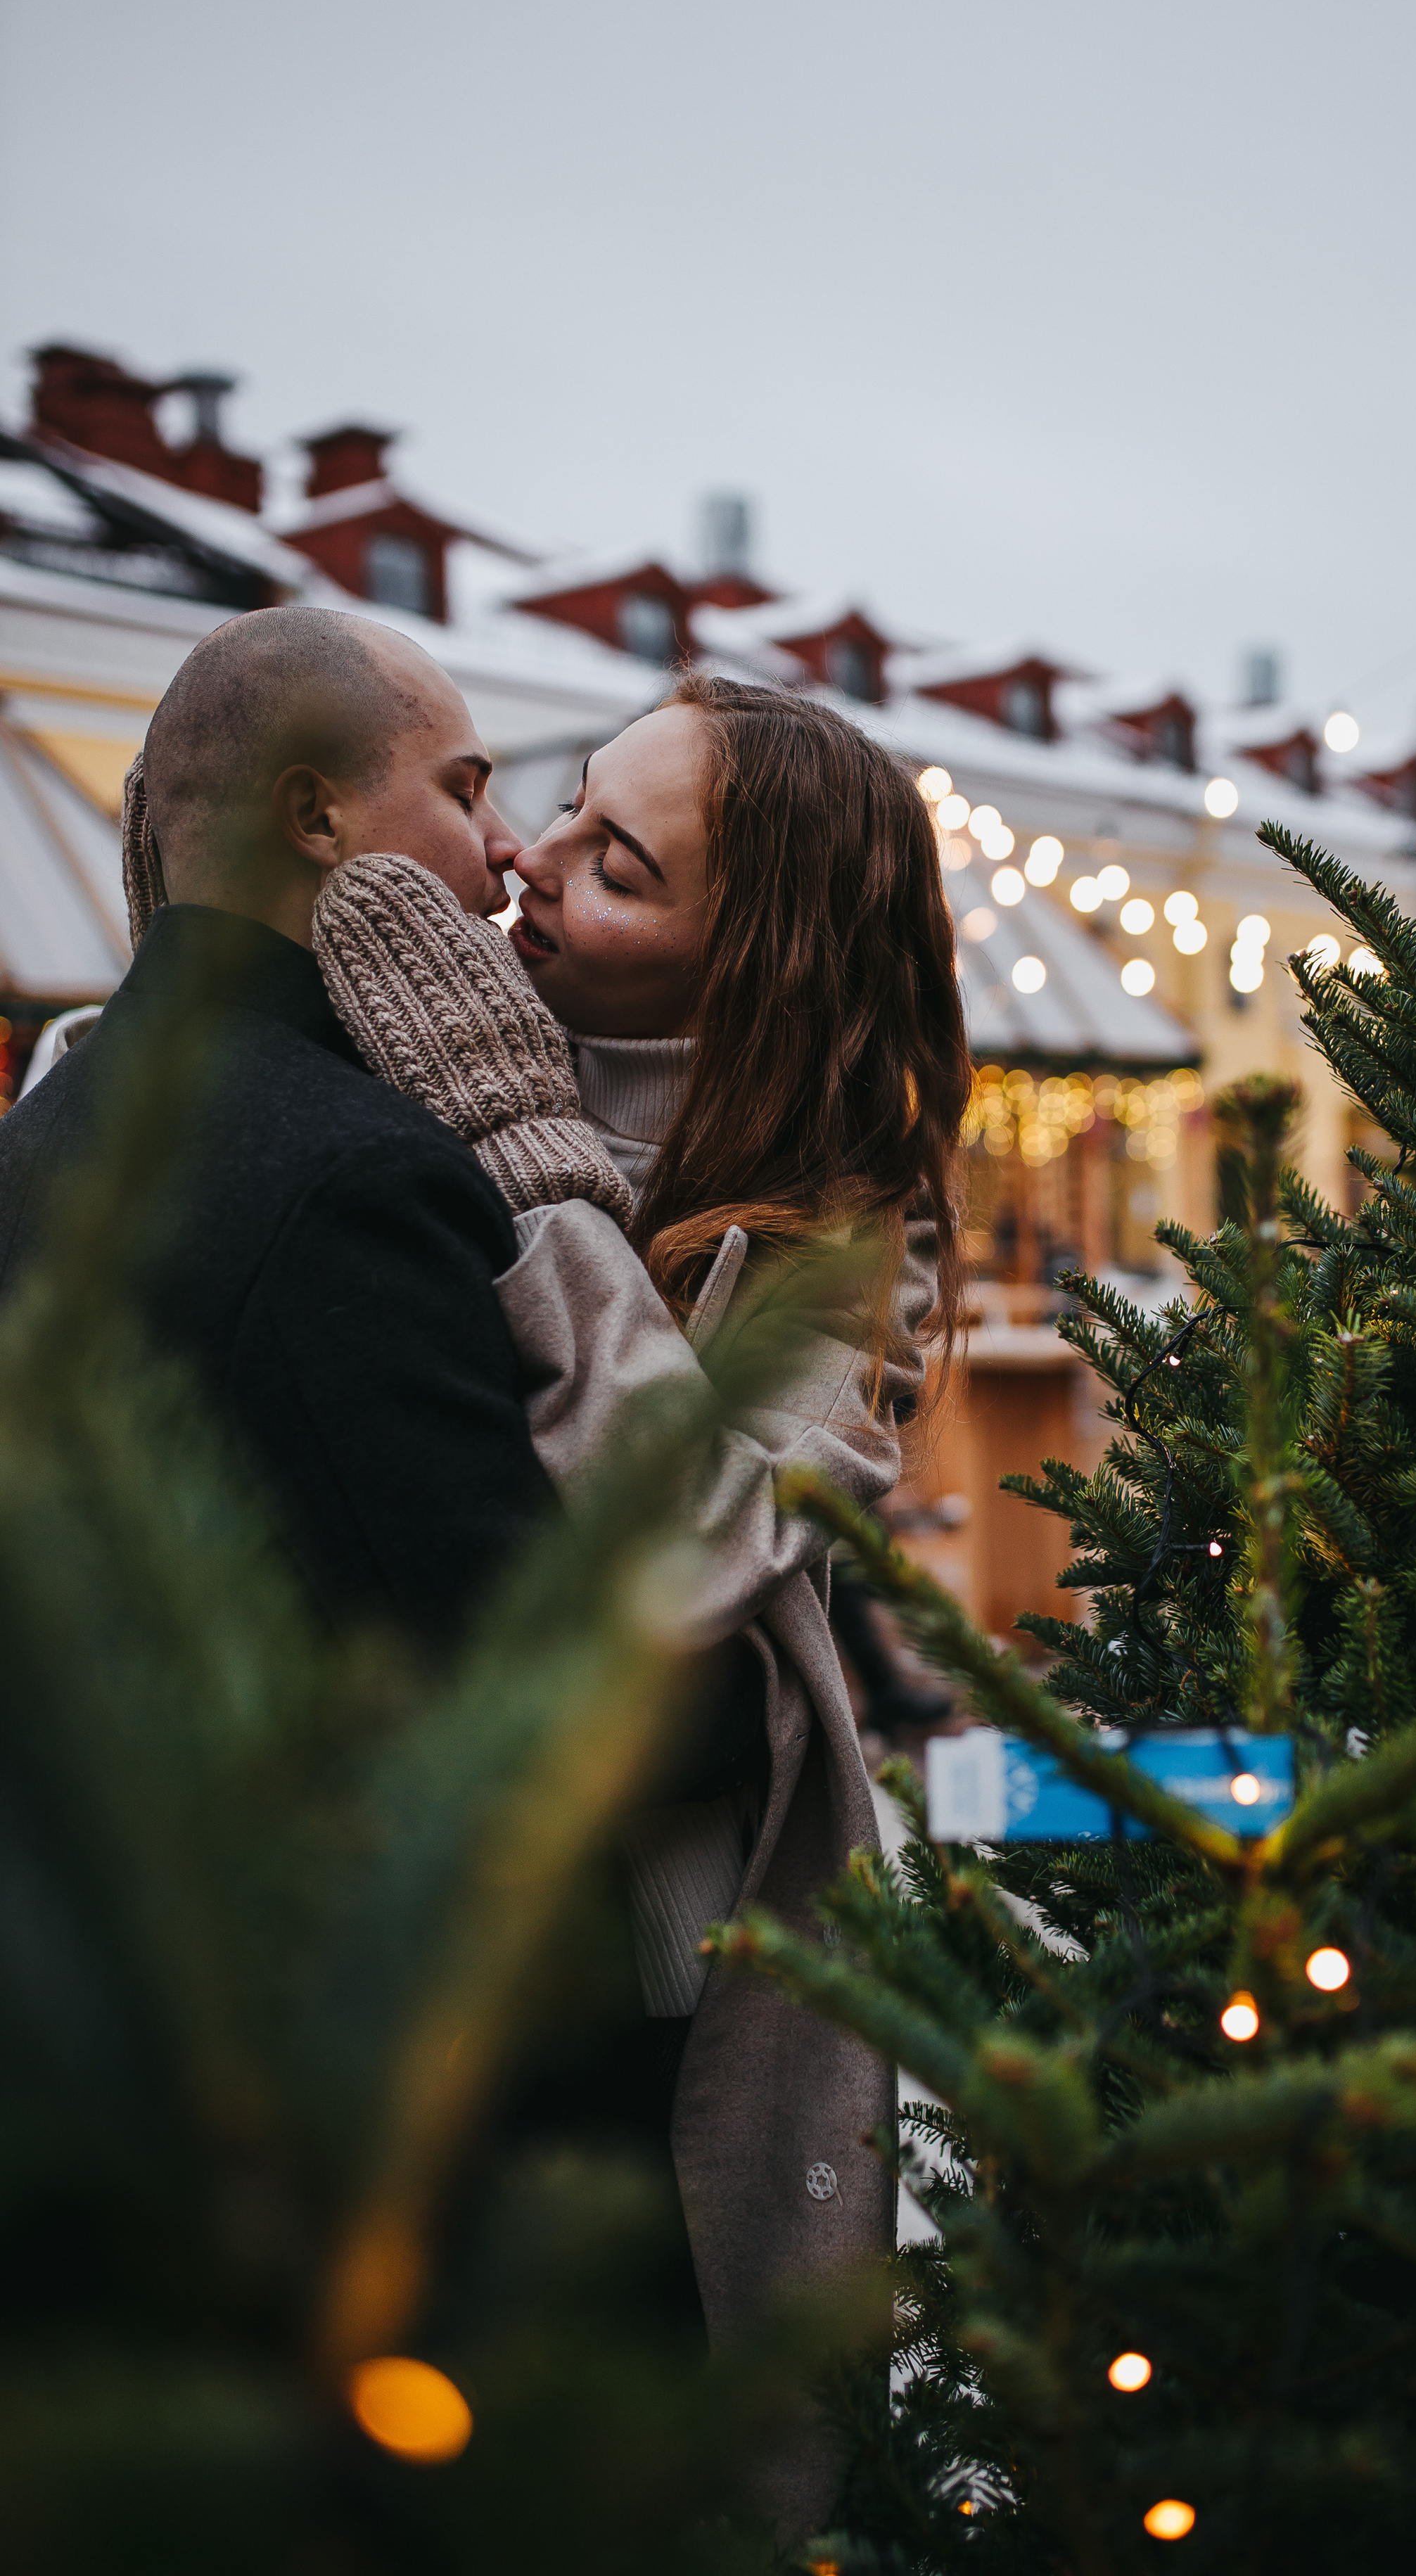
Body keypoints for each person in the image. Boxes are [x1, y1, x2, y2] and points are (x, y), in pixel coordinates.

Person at [299, 675, 969, 2534]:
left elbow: (679, 1542)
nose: (529, 861)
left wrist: (524, 1159)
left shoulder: (852, 1232)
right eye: (568, 806)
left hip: (647, 1961)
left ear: (750, 968)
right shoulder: (392, 1047)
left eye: (619, 866)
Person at [0, 607, 604, 1654]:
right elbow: (514, 1661)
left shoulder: (37, 1129)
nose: (509, 846)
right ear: (317, 817)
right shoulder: (366, 1176)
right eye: (464, 791)